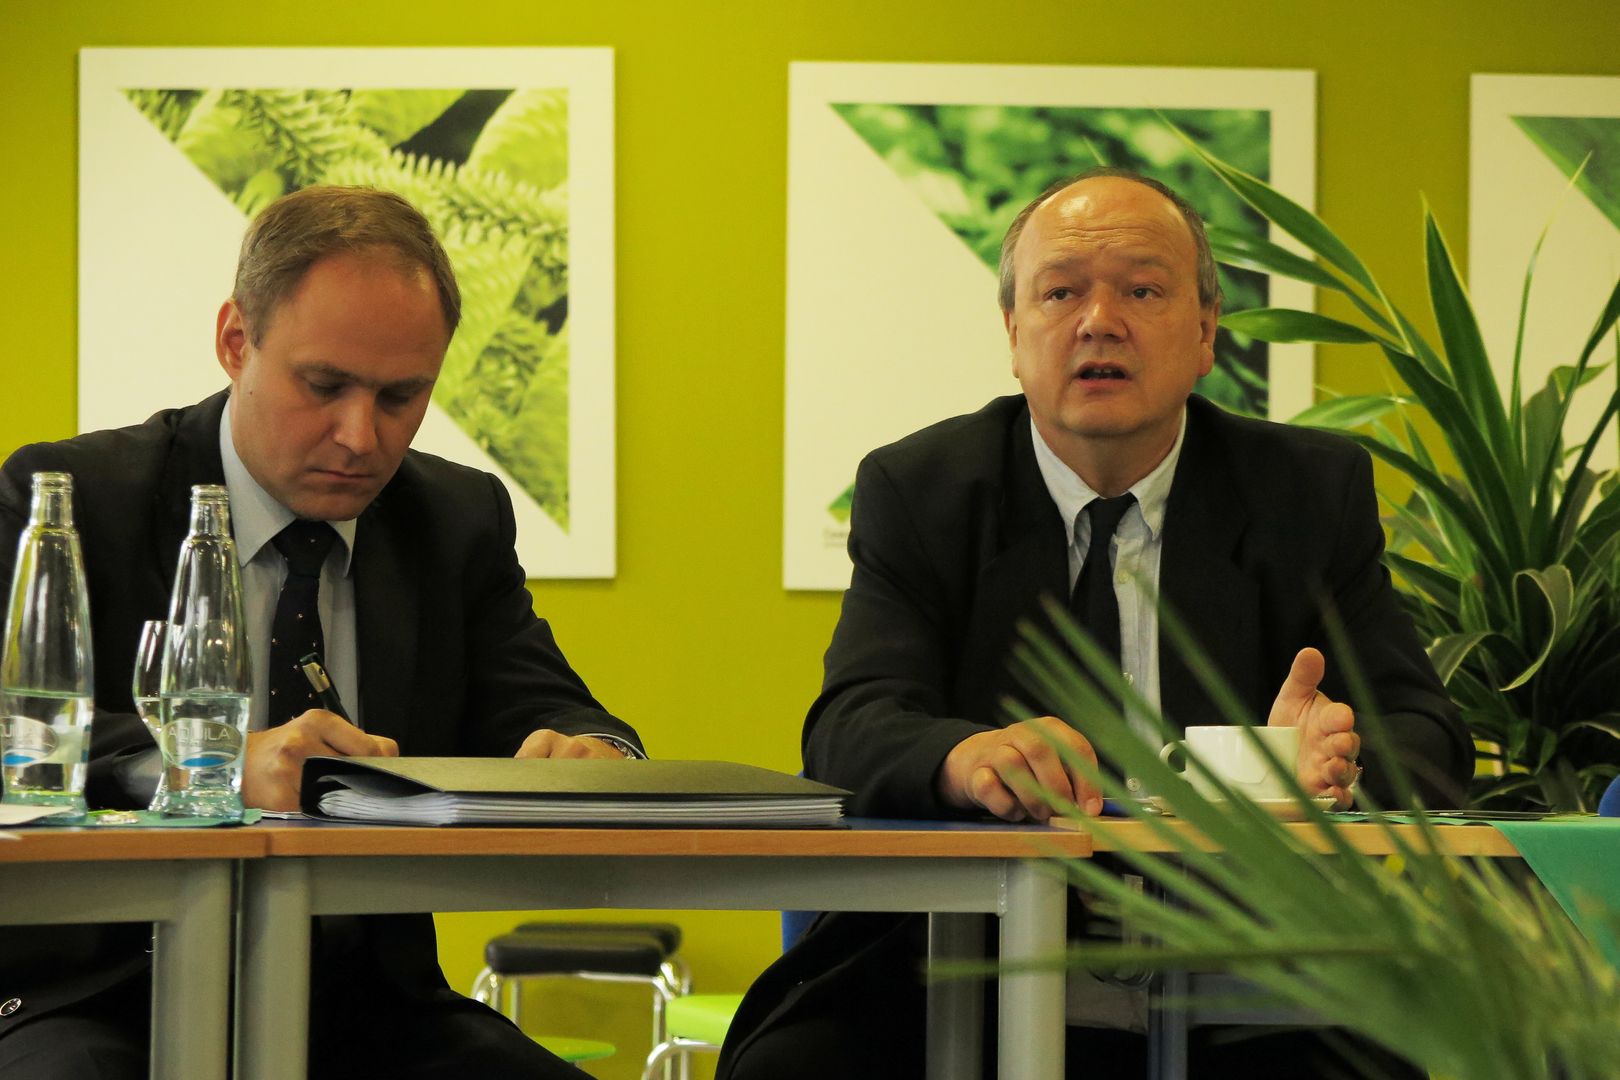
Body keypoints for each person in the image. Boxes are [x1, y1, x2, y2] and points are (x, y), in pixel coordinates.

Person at [717, 168, 1472, 1079]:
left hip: (1251, 974)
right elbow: (850, 728)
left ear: (1205, 332)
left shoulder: (1307, 493)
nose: (1099, 321)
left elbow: (1428, 738)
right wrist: (965, 759)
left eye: (1142, 291)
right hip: (957, 961)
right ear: (1013, 332)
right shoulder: (921, 491)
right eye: (1061, 292)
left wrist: (1336, 765)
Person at [0, 186, 641, 1080]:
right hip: (92, 996)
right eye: (325, 386)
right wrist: (212, 767)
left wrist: (593, 754)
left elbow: (544, 705)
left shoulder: (454, 519)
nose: (360, 437)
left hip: (371, 1008)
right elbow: (15, 731)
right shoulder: (76, 499)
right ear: (236, 341)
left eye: (402, 396)